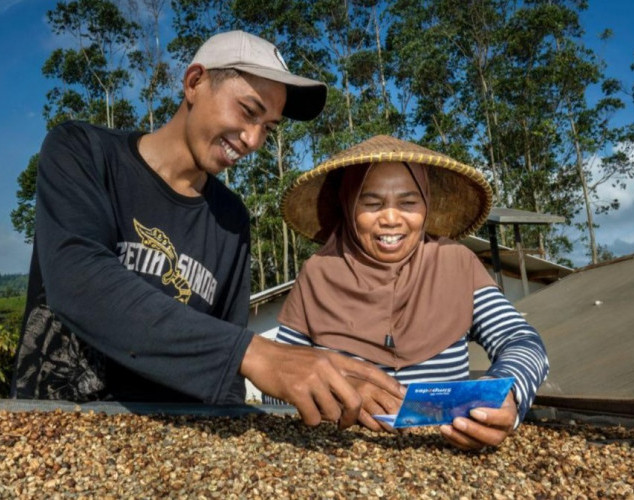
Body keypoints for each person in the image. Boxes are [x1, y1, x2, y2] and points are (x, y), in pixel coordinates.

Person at [11, 30, 403, 429]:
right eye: (248, 111)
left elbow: (224, 370)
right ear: (194, 82)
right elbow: (78, 279)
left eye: (268, 127)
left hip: (168, 439)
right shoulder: (83, 152)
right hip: (54, 427)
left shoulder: (231, 220)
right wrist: (255, 353)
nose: (253, 140)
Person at [266, 135, 550, 450]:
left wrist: (506, 394)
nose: (391, 219)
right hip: (337, 453)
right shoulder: (318, 273)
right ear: (348, 206)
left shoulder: (456, 264)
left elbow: (521, 340)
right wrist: (336, 389)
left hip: (445, 450)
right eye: (372, 203)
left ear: (425, 205)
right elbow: (275, 383)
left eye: (408, 203)